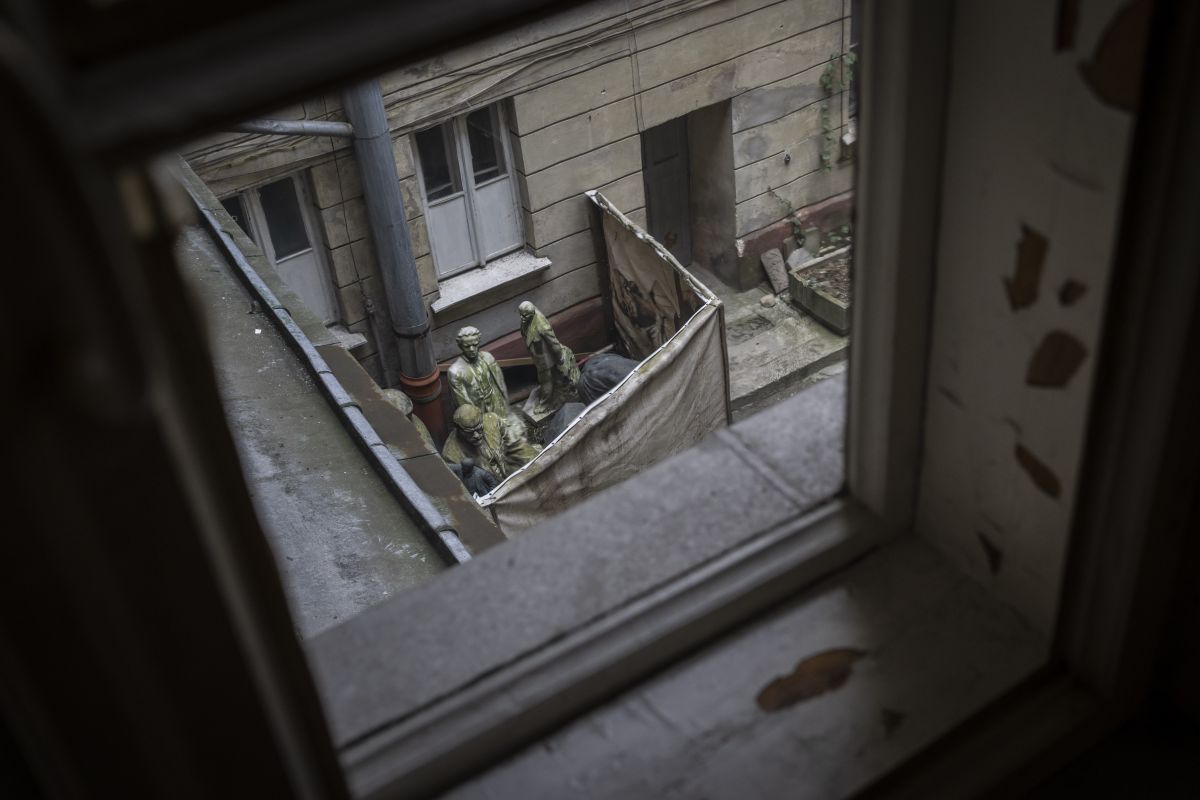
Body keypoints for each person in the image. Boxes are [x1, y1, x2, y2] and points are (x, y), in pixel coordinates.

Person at [441, 404, 538, 480]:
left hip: (508, 468)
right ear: (459, 430)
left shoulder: (492, 420)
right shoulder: (451, 456)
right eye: (470, 433)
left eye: (479, 429)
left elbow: (515, 444)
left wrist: (536, 461)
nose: (477, 435)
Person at [519, 301, 580, 415]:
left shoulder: (542, 326)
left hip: (547, 362)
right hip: (539, 359)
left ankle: (545, 404)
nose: (522, 318)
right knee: (547, 381)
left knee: (546, 382)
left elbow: (553, 343)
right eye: (521, 314)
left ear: (532, 313)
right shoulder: (526, 321)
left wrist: (561, 359)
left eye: (525, 315)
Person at [447, 325, 509, 419]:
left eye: (475, 345)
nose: (472, 349)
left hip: (496, 402)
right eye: (467, 346)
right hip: (478, 409)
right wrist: (475, 419)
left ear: (479, 342)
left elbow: (500, 383)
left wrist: (504, 404)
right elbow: (463, 404)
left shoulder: (488, 357)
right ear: (460, 346)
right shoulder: (455, 372)